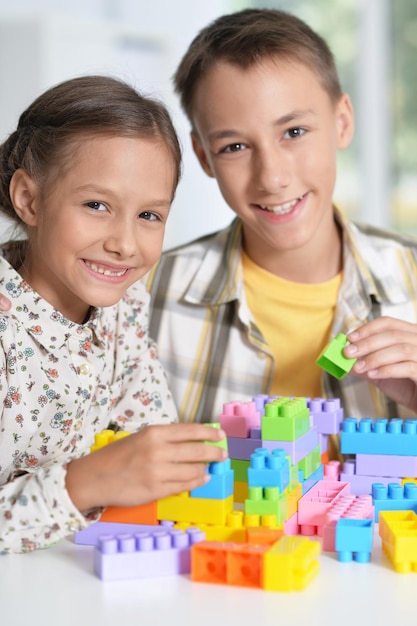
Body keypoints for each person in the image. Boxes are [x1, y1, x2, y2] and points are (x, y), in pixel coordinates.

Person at [144, 8, 417, 443]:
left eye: (293, 132)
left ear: (342, 122)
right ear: (203, 158)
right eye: (234, 146)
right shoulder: (144, 296)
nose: (271, 177)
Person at [0, 75, 226, 554]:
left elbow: (148, 434)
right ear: (29, 199)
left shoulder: (125, 307)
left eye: (149, 216)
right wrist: (83, 484)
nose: (123, 244)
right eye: (97, 205)